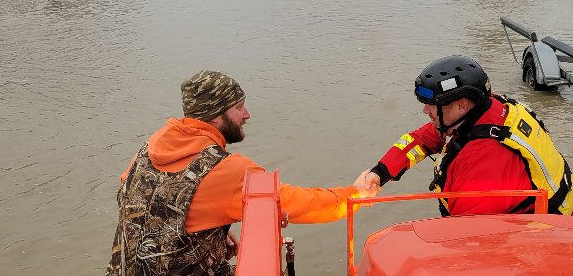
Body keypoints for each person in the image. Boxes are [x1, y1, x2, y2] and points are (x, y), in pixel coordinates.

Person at [107, 70, 378, 276]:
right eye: (238, 107)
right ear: (215, 115)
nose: (247, 114)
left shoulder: (148, 148)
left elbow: (138, 200)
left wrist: (205, 226)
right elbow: (300, 205)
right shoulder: (230, 170)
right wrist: (356, 194)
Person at [364, 55, 573, 217]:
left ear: (462, 104)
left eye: (434, 105)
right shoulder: (487, 110)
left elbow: (466, 238)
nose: (426, 110)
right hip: (567, 207)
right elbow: (421, 140)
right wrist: (381, 172)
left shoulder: (483, 163)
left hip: (547, 234)